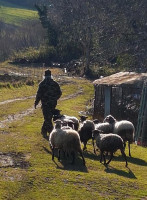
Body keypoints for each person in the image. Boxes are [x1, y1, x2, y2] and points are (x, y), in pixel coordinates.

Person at [34, 69, 62, 139]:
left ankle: (50, 131)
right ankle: (45, 131)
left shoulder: (42, 84)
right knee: (48, 117)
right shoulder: (55, 83)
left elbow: (39, 94)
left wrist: (36, 102)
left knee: (47, 117)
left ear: (45, 76)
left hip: (45, 104)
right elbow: (59, 93)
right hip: (52, 103)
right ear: (50, 76)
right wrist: (55, 98)